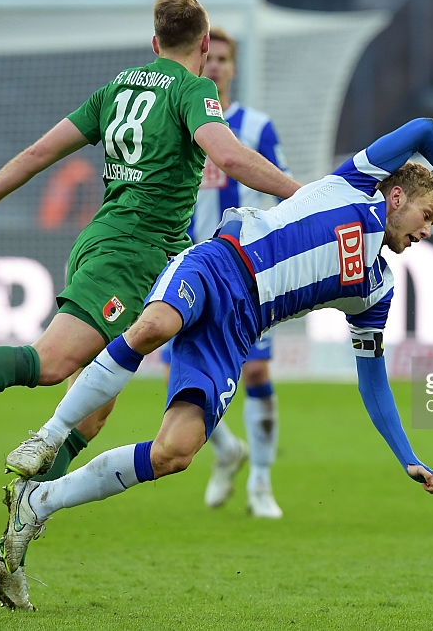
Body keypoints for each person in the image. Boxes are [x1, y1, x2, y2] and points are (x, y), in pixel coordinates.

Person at [0, 0, 301, 605]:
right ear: (203, 46)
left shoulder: (119, 87)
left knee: (91, 411)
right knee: (52, 364)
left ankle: (13, 544)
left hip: (127, 251)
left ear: (152, 42)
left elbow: (40, 151)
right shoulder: (195, 90)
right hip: (128, 254)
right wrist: (302, 195)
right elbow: (226, 153)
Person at [0, 118, 433, 609]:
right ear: (396, 196)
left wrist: (406, 454)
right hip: (220, 263)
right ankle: (48, 434)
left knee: (174, 452)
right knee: (154, 326)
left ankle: (37, 505)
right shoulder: (354, 183)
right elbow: (424, 129)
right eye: (427, 215)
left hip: (240, 329)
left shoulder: (377, 290)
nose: (427, 231)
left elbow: (372, 378)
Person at [164, 26, 288, 519]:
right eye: (208, 56)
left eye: (223, 59)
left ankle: (260, 482)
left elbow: (281, 190)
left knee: (255, 369)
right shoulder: (179, 120)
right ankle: (227, 451)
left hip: (246, 268)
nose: (214, 65)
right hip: (187, 263)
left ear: (234, 67)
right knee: (184, 375)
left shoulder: (256, 127)